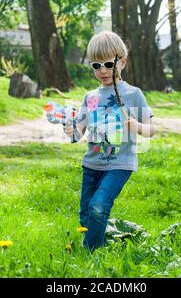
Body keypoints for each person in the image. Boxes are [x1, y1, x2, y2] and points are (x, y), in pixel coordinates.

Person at [64, 31, 155, 251]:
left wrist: (138, 127)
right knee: (86, 216)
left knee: (98, 206)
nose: (103, 70)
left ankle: (91, 253)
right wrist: (70, 130)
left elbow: (151, 130)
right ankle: (101, 240)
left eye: (108, 64)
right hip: (91, 164)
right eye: (96, 65)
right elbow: (79, 134)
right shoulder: (90, 97)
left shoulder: (134, 94)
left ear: (122, 62)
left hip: (119, 164)